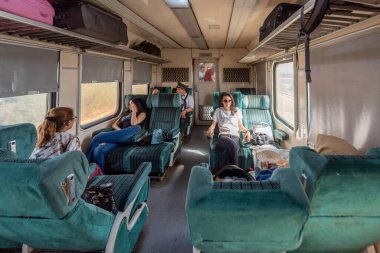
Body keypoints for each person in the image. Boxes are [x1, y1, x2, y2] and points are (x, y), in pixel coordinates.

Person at [30, 107, 103, 180]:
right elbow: (77, 165)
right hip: (58, 180)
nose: (74, 120)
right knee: (96, 167)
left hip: (37, 176)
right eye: (73, 118)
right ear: (68, 122)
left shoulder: (42, 137)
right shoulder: (71, 139)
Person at [86, 98, 146, 172]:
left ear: (137, 104)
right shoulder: (126, 113)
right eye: (129, 104)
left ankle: (84, 167)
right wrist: (120, 132)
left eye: (132, 104)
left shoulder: (142, 113)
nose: (130, 106)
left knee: (97, 137)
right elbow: (114, 125)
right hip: (121, 137)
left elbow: (134, 123)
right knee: (98, 150)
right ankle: (100, 176)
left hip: (132, 134)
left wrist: (134, 112)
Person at [207, 92, 251, 167]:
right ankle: (237, 172)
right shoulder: (218, 110)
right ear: (222, 101)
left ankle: (226, 174)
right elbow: (213, 125)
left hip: (235, 137)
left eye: (229, 100)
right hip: (223, 136)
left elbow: (240, 126)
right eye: (225, 101)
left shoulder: (237, 110)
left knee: (226, 151)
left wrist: (248, 132)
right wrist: (209, 130)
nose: (228, 102)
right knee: (233, 145)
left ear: (232, 101)